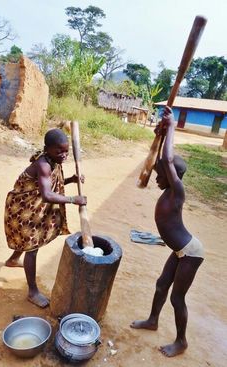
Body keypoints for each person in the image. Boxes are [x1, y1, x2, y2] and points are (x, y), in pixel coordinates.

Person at [130, 106, 204, 357]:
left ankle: (181, 341)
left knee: (177, 298)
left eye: (160, 176)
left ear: (174, 177)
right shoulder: (167, 190)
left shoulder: (177, 191)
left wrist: (172, 127)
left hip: (190, 253)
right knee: (162, 285)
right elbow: (164, 160)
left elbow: (168, 161)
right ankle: (152, 320)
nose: (156, 178)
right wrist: (161, 135)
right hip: (179, 251)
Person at [4, 128, 87, 308]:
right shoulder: (43, 164)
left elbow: (49, 182)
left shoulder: (53, 160)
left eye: (66, 151)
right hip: (22, 208)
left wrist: (71, 179)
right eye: (59, 151)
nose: (64, 155)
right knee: (32, 247)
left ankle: (12, 260)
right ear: (47, 148)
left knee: (27, 241)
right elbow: (47, 194)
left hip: (30, 206)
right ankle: (33, 292)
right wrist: (73, 199)